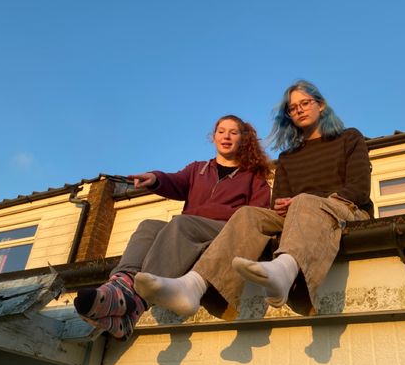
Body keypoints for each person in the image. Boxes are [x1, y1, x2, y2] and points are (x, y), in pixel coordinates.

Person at [134, 80, 373, 319]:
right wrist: (282, 205)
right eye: (293, 108)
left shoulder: (349, 138)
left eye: (305, 103)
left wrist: (305, 199)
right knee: (248, 213)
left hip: (346, 211)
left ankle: (284, 270)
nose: (299, 109)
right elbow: (276, 202)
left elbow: (359, 189)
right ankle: (193, 286)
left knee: (304, 201)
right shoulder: (288, 157)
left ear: (321, 105)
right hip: (297, 216)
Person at [74, 114, 271, 339]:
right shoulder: (198, 169)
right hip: (189, 230)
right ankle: (123, 285)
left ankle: (136, 299)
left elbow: (257, 216)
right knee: (149, 226)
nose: (226, 136)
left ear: (243, 139)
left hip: (225, 233)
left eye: (233, 132)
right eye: (221, 131)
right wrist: (155, 178)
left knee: (181, 222)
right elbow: (175, 181)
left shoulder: (253, 176)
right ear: (213, 137)